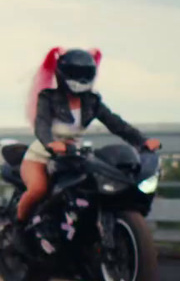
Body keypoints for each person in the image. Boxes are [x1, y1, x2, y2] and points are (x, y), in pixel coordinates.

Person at [15, 47, 160, 224]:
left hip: (73, 156)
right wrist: (51, 143)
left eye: (85, 73)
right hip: (41, 156)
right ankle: (18, 228)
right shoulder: (48, 97)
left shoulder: (92, 102)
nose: (80, 78)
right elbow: (42, 125)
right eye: (76, 73)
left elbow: (116, 124)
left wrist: (142, 140)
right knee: (38, 189)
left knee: (90, 190)